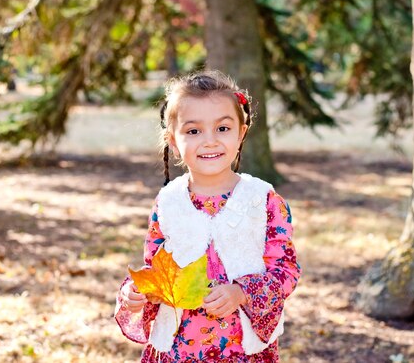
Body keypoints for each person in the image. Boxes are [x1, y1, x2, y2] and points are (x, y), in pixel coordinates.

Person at [115, 70, 301, 362]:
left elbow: (285, 271)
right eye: (193, 131)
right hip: (179, 348)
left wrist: (242, 292)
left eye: (223, 129)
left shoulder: (262, 199)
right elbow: (155, 268)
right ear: (173, 141)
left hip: (241, 347)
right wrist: (136, 292)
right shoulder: (168, 201)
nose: (210, 141)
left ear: (241, 132)